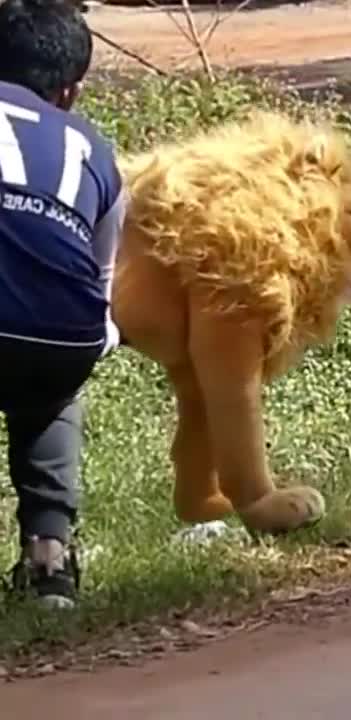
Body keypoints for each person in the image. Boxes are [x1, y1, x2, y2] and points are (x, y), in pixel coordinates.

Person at [0, 0, 127, 609]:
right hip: (64, 338)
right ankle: (49, 557)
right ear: (71, 91)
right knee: (51, 393)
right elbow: (99, 291)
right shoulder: (95, 150)